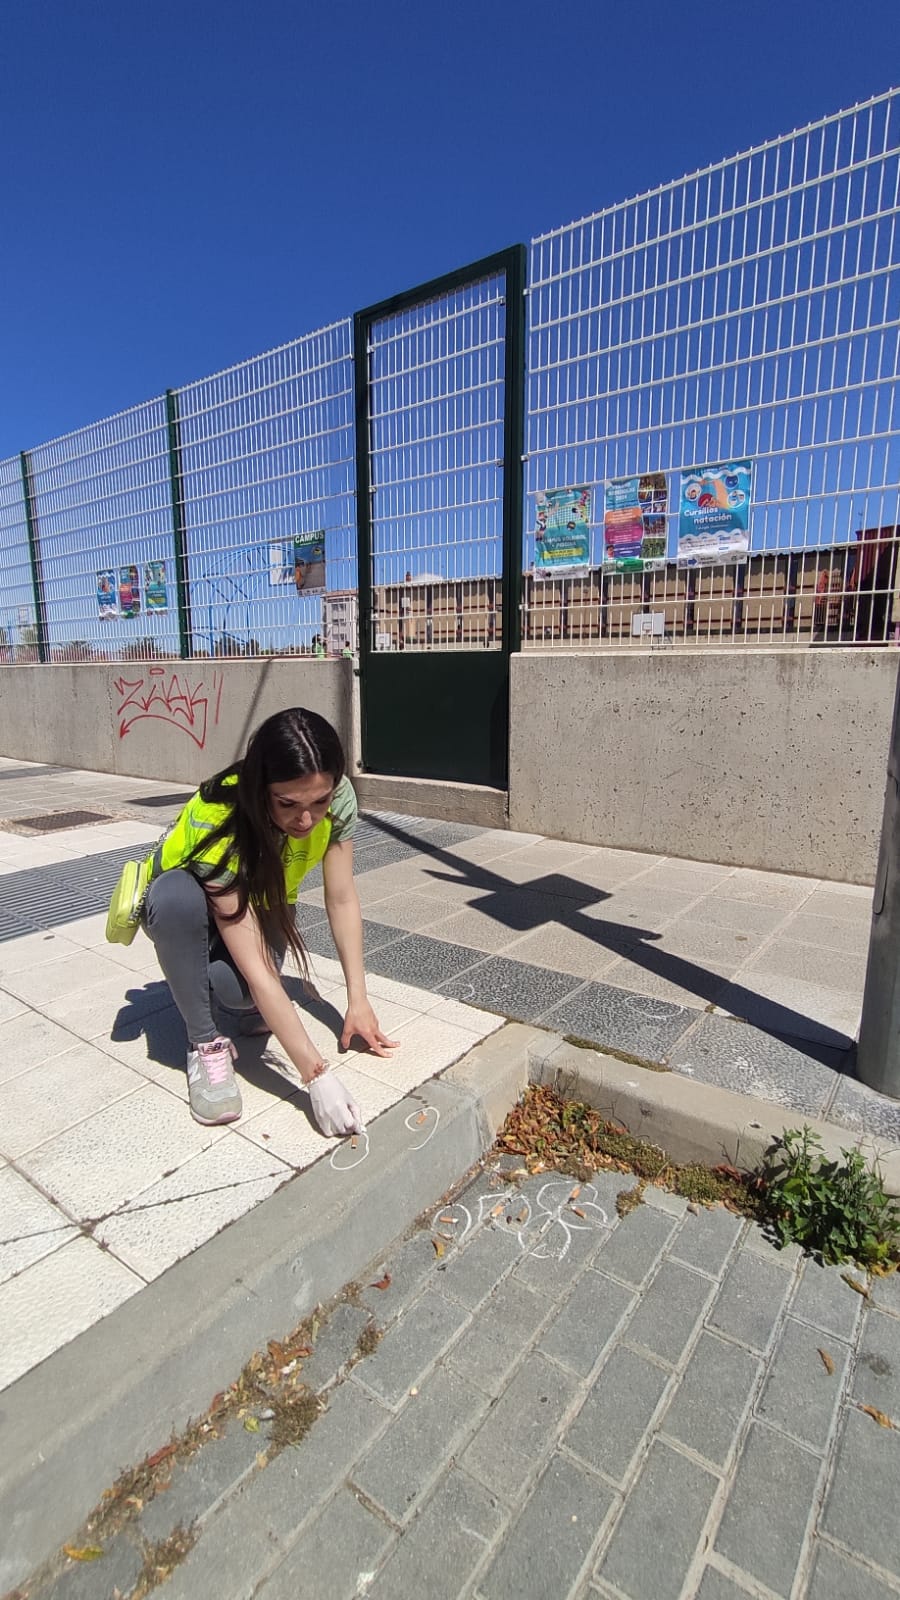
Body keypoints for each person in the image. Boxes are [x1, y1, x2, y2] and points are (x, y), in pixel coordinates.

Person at [139, 708, 397, 1136]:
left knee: (237, 994)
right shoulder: (219, 815)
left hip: (259, 902)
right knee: (177, 901)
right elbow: (260, 970)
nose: (306, 819)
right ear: (261, 789)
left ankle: (208, 986)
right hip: (184, 906)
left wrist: (358, 999)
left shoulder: (339, 796)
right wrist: (316, 1076)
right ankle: (202, 1042)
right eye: (288, 804)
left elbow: (342, 896)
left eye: (320, 801)